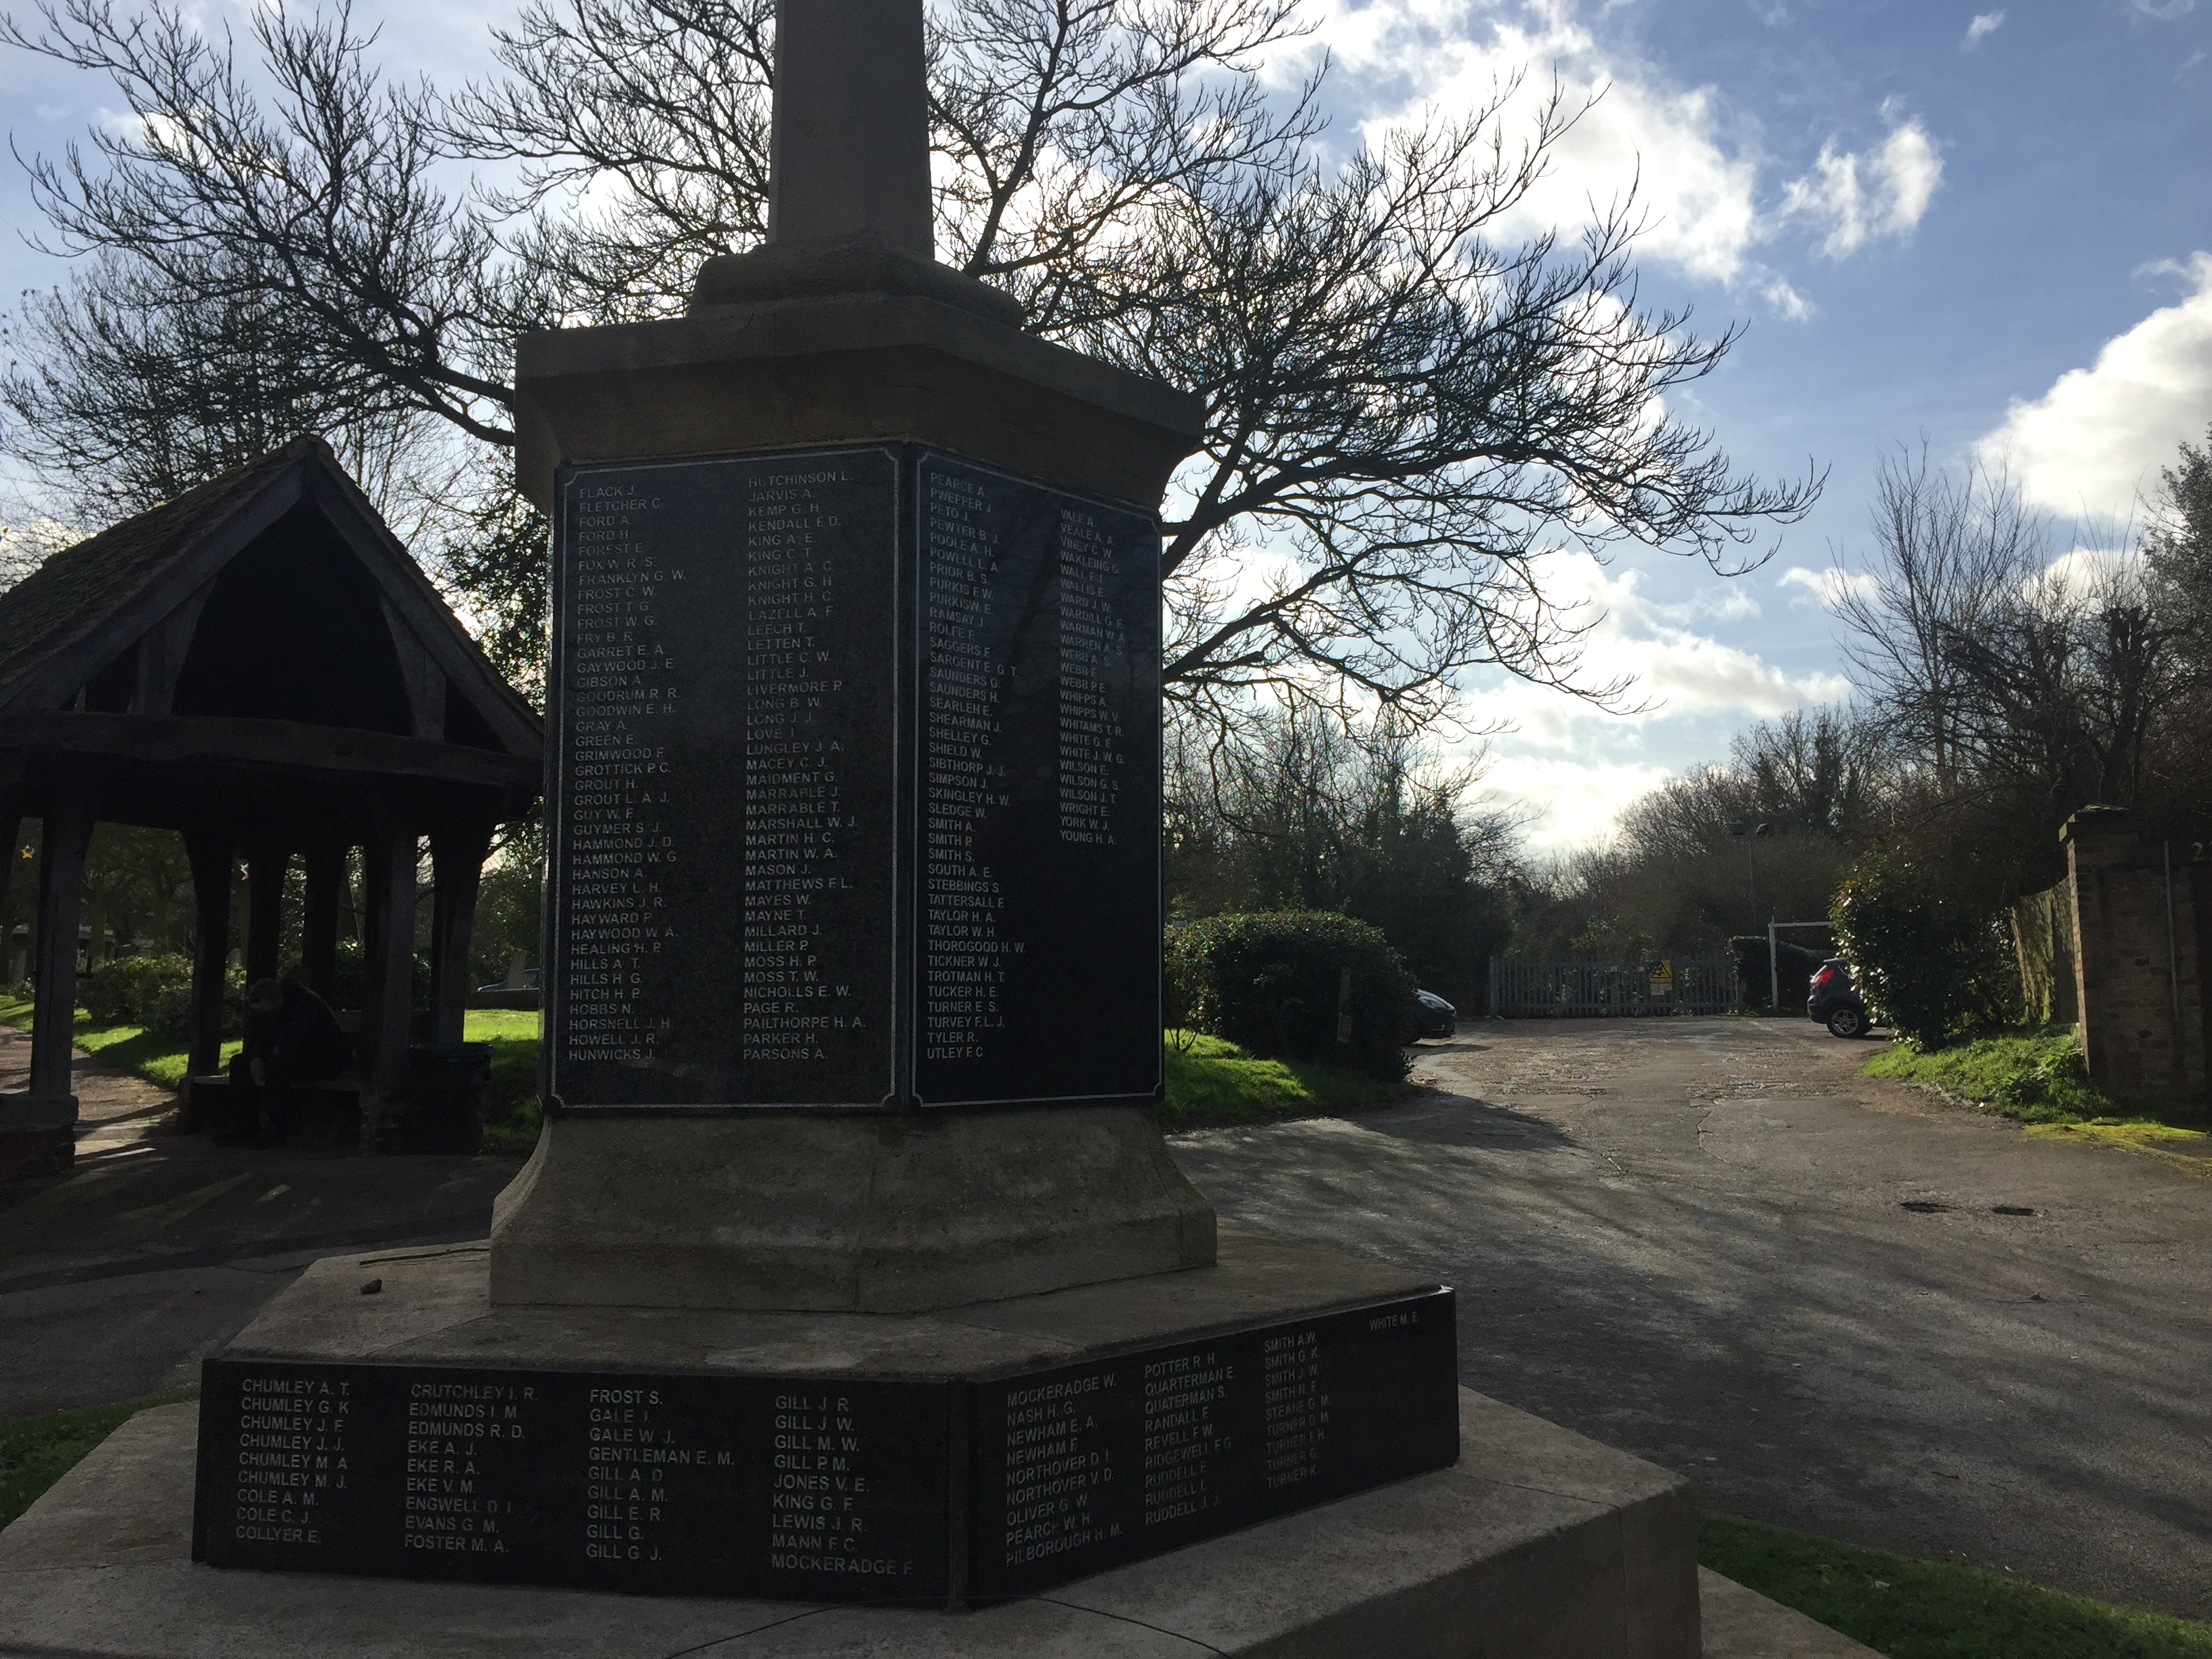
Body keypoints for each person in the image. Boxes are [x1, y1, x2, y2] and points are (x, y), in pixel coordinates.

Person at [218, 978, 350, 1148]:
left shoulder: (305, 1003)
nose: (262, 1015)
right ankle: (246, 1126)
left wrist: (270, 1056)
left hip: (324, 1059)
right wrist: (256, 1058)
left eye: (262, 1010)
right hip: (295, 1056)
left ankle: (278, 1130)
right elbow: (264, 1037)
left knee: (278, 1068)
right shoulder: (273, 1011)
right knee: (239, 1063)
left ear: (267, 1001)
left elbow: (295, 1039)